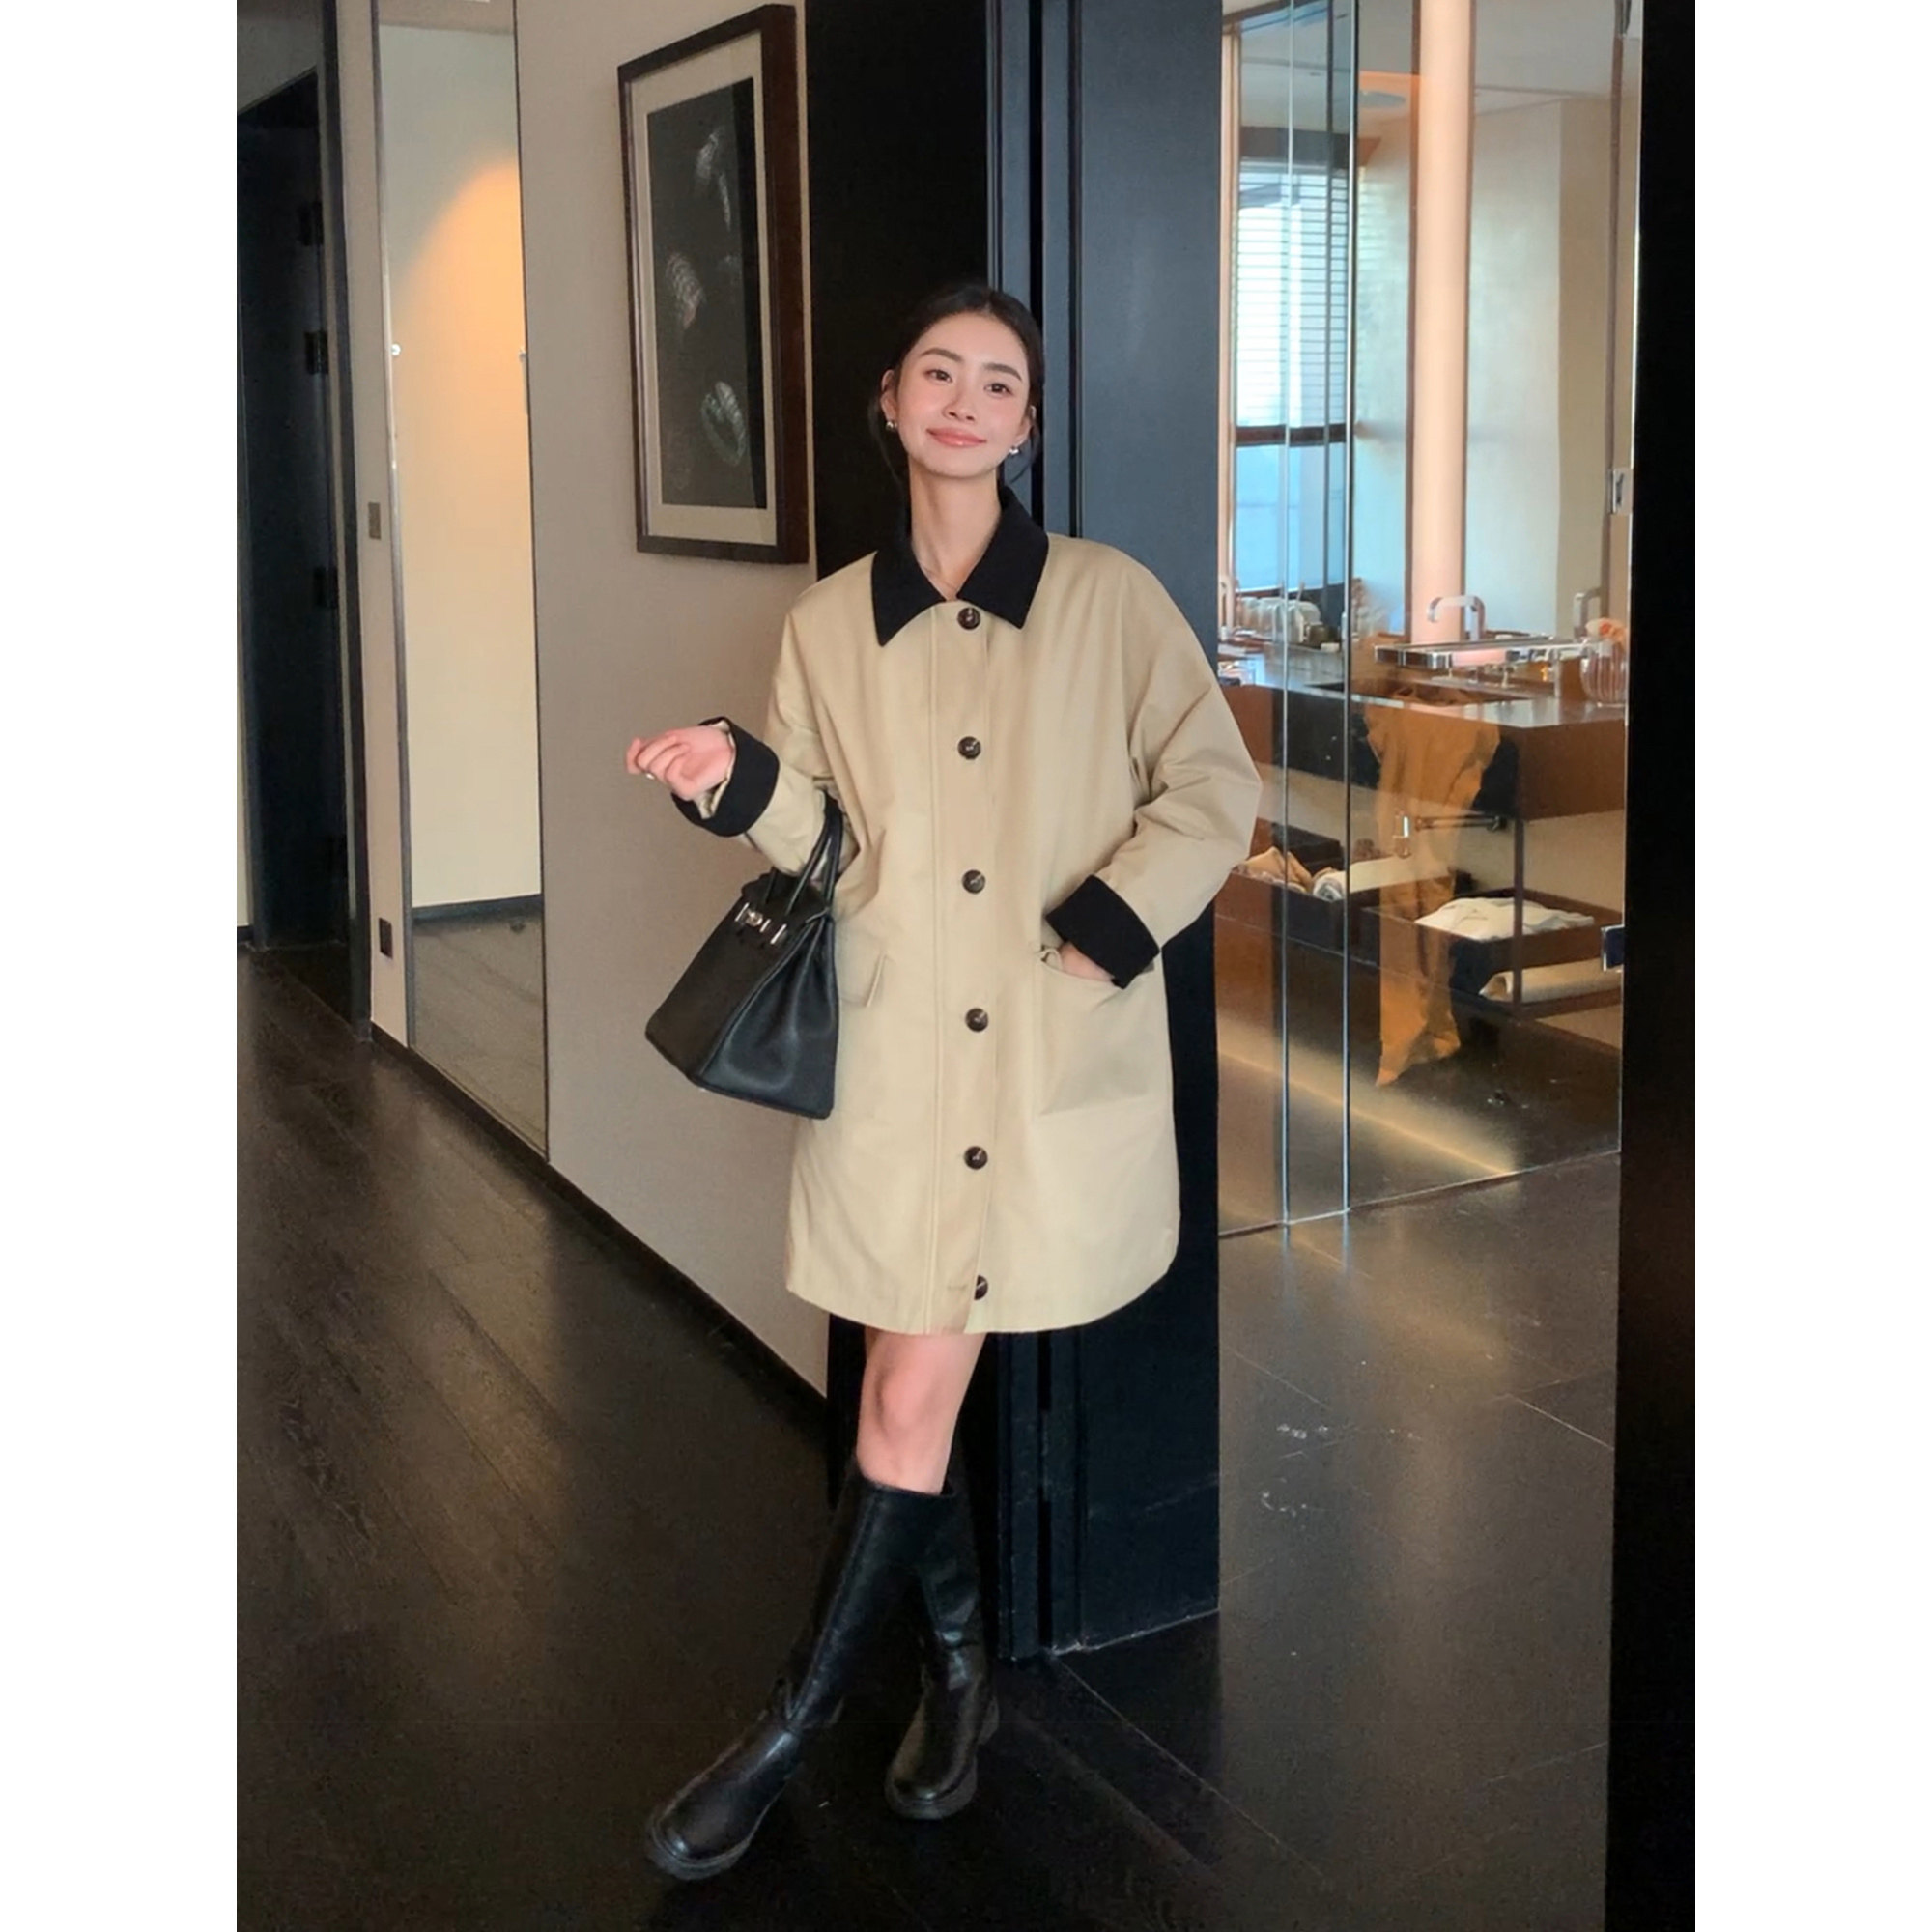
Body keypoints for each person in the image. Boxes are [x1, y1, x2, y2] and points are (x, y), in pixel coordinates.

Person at [625, 281, 1260, 1882]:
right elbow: (830, 849)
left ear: (1027, 424)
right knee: (911, 1385)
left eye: (998, 382)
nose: (966, 401)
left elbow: (1213, 785)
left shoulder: (1111, 601)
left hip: (1043, 1055)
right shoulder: (828, 625)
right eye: (939, 374)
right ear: (891, 402)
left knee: (906, 1391)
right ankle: (961, 1676)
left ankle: (782, 1737)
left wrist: (1108, 930)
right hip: (900, 1061)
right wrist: (738, 780)